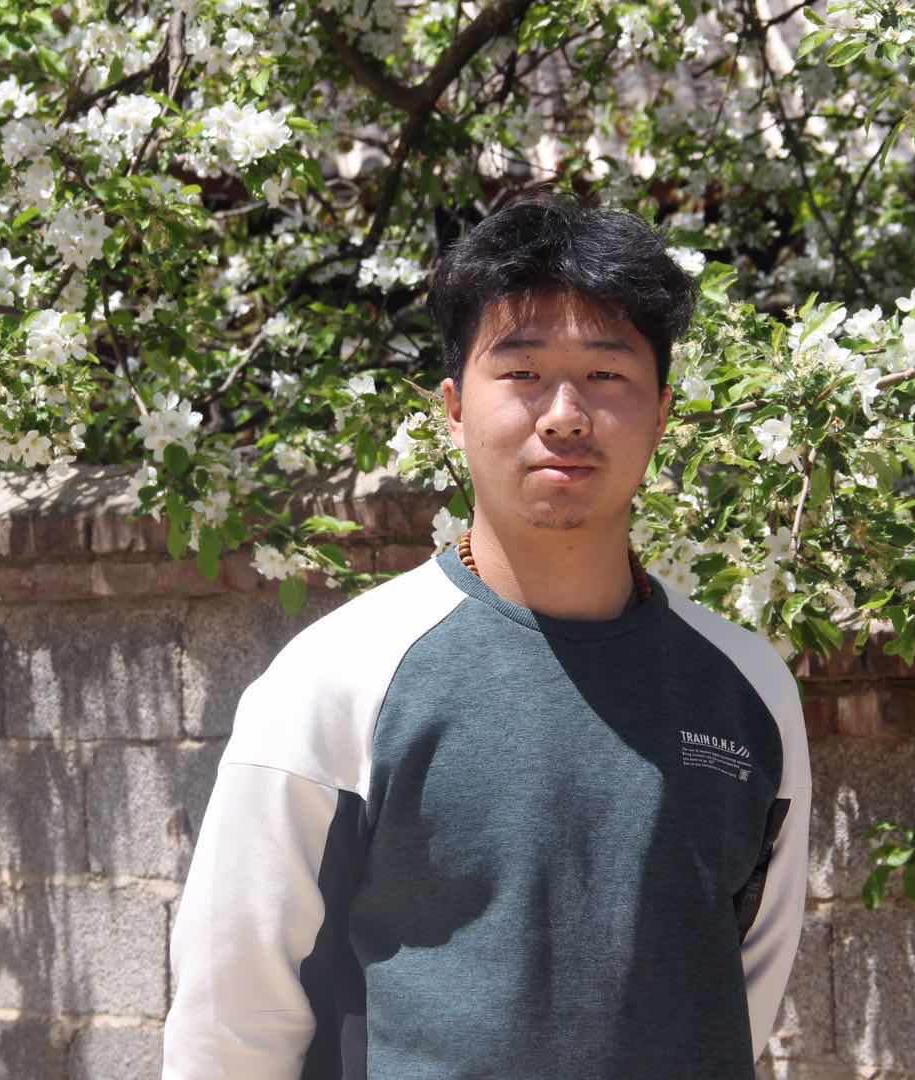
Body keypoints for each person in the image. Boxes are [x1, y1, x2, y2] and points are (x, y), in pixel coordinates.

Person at [163, 194, 812, 1080]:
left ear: (662, 410)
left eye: (607, 374)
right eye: (522, 372)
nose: (565, 414)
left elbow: (744, 986)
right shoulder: (339, 679)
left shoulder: (749, 689)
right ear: (454, 408)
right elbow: (232, 1022)